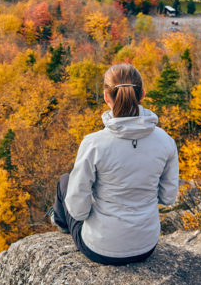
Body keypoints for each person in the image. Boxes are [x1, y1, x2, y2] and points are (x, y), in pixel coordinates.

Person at [50, 63, 179, 265]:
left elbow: (78, 210)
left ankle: (60, 224)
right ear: (142, 94)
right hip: (146, 246)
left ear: (106, 97)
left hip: (101, 248)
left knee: (65, 181)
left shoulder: (94, 143)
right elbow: (168, 197)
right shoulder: (165, 141)